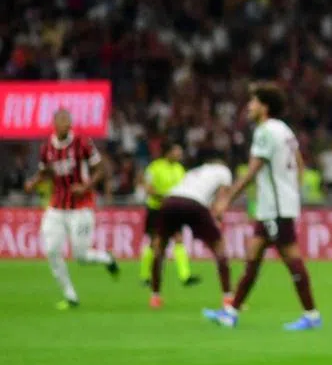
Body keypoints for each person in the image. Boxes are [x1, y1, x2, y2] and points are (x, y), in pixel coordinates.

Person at [202, 82, 321, 330]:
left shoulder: (265, 131)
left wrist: (226, 199)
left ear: (264, 107)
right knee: (252, 258)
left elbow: (252, 172)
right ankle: (231, 313)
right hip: (274, 206)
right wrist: (293, 190)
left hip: (276, 209)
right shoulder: (285, 130)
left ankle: (311, 315)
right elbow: (299, 162)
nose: (249, 106)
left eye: (253, 102)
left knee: (291, 259)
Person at [22, 109, 120, 309]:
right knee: (51, 250)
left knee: (81, 256)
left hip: (81, 208)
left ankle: (106, 258)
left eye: (68, 120)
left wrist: (86, 186)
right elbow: (45, 171)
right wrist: (33, 182)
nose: (67, 124)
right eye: (62, 121)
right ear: (55, 124)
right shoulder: (47, 147)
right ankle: (70, 295)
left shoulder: (82, 142)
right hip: (56, 207)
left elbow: (101, 168)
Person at [149, 155, 234, 309]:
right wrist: (218, 215)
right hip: (194, 203)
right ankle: (228, 297)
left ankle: (155, 296)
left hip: (170, 201)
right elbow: (222, 198)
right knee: (219, 248)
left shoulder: (194, 171)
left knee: (159, 249)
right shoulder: (224, 171)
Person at [139, 143, 199, 288]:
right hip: (156, 209)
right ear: (168, 152)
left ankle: (185, 276)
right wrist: (164, 197)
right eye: (177, 151)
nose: (179, 154)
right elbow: (148, 188)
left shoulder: (180, 169)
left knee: (178, 239)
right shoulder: (155, 167)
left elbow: (185, 188)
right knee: (154, 243)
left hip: (173, 210)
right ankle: (145, 276)